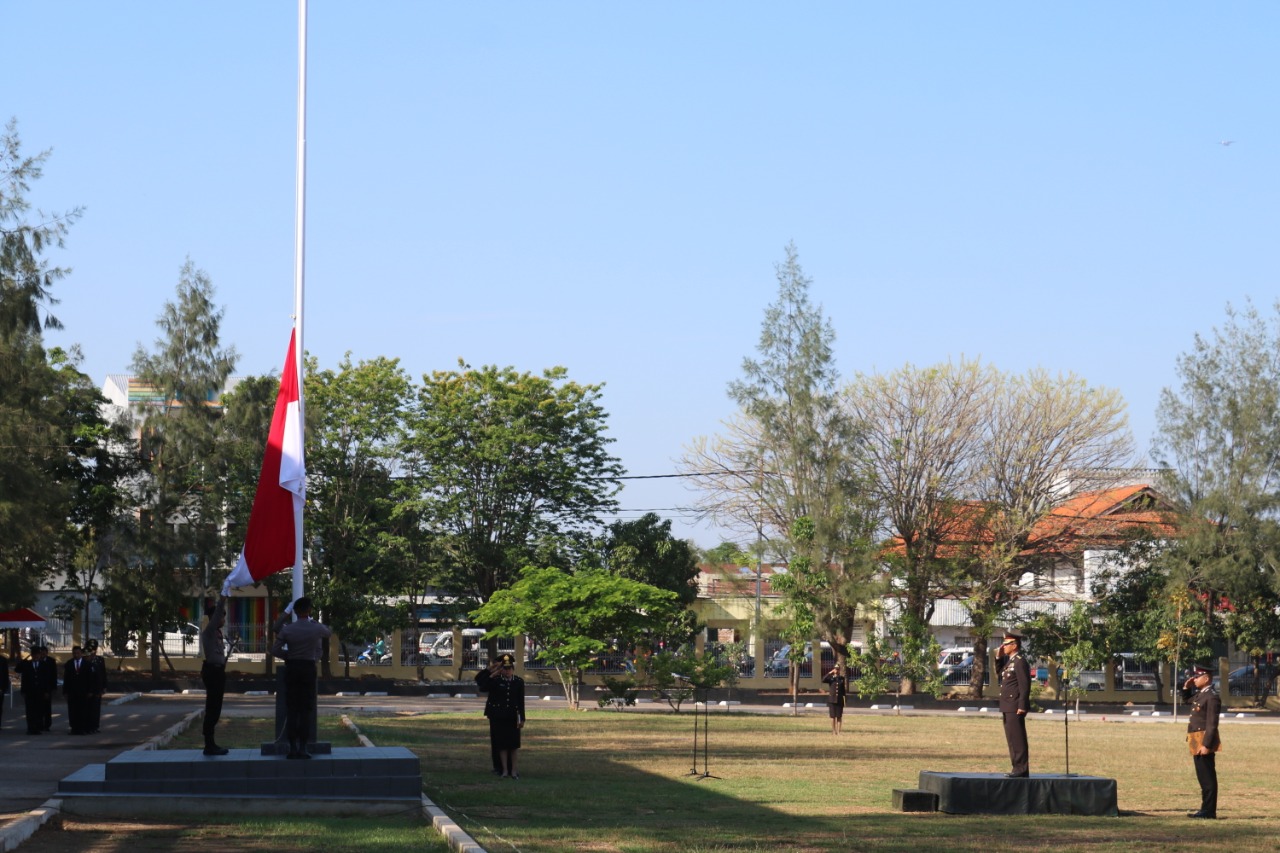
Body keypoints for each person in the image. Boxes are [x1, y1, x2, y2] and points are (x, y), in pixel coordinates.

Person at [270, 597, 332, 759]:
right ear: (309, 610)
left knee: (292, 709)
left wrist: (288, 657)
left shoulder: (289, 629)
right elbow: (328, 632)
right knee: (305, 710)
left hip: (292, 668)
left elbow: (275, 650)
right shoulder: (315, 628)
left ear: (295, 612)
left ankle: (292, 748)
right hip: (308, 669)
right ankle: (303, 748)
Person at [475, 653, 525, 779]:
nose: (506, 670)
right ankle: (501, 768)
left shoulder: (518, 681)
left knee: (512, 744)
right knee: (499, 742)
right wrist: (491, 671)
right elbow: (481, 684)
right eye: (504, 668)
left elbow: (520, 701)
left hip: (512, 716)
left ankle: (511, 769)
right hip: (497, 715)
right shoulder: (495, 680)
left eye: (509, 668)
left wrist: (522, 718)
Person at [1181, 664, 1221, 819]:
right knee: (1202, 776)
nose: (1194, 679)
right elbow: (1187, 701)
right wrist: (1186, 687)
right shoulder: (1201, 694)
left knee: (1207, 776)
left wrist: (1207, 744)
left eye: (1197, 677)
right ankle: (1205, 809)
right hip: (1195, 739)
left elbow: (1212, 723)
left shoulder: (1211, 696)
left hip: (1203, 740)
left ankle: (1209, 811)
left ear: (1207, 678)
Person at [996, 629, 1031, 778]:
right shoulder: (1010, 661)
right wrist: (998, 658)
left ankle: (1021, 769)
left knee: (1017, 738)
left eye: (1006, 644)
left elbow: (1024, 685)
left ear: (1014, 645)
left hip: (1015, 705)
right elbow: (1000, 673)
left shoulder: (1020, 662)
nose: (1003, 647)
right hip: (1007, 705)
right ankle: (1016, 768)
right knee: (1011, 738)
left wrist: (1022, 705)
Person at [201, 596, 230, 755]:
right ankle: (208, 744)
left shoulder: (218, 634)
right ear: (214, 618)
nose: (223, 620)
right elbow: (217, 612)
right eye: (221, 617)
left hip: (218, 671)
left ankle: (211, 743)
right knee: (212, 707)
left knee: (216, 707)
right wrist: (223, 599)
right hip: (212, 671)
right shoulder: (210, 631)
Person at [62, 645, 99, 735]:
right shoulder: (69, 664)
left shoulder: (87, 664)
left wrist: (90, 691)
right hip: (72, 692)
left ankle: (82, 728)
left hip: (84, 692)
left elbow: (90, 679)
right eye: (74, 653)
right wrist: (65, 691)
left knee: (83, 711)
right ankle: (74, 728)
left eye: (78, 653)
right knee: (72, 711)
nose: (76, 655)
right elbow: (66, 678)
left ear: (81, 654)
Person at [822, 664, 847, 735]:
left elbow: (843, 691)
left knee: (839, 717)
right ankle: (833, 731)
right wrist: (829, 673)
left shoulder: (841, 678)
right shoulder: (831, 679)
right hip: (832, 700)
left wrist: (845, 700)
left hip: (839, 700)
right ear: (833, 669)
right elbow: (823, 680)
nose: (836, 670)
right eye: (835, 669)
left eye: (838, 669)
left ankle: (838, 732)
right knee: (833, 717)